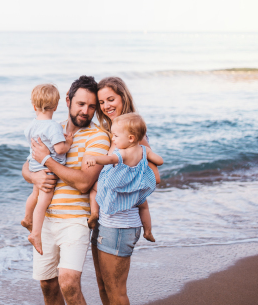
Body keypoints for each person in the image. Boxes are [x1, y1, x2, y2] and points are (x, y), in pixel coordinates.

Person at [25, 75, 110, 305]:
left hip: (76, 220)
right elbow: (26, 166)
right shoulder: (52, 127)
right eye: (81, 104)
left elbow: (84, 182)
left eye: (92, 106)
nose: (86, 111)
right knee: (48, 285)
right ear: (68, 100)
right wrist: (35, 176)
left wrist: (48, 161)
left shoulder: (98, 137)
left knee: (69, 282)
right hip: (47, 221)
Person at [90, 76, 160, 305]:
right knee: (104, 286)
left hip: (120, 225)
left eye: (111, 99)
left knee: (116, 291)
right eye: (101, 102)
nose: (106, 105)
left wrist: (120, 180)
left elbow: (154, 177)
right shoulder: (113, 130)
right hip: (107, 220)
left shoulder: (134, 136)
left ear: (123, 97)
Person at [84, 113, 163, 243]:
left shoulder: (122, 153)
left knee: (94, 188)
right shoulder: (144, 150)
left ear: (131, 138)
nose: (113, 139)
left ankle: (94, 213)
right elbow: (159, 161)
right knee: (144, 207)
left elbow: (109, 159)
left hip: (119, 187)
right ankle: (148, 231)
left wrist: (95, 159)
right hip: (136, 187)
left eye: (115, 136)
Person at [22, 83, 74, 255]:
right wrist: (68, 143)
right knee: (43, 201)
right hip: (47, 169)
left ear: (33, 105)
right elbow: (59, 149)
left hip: (34, 166)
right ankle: (36, 233)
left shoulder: (31, 125)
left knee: (34, 194)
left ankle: (27, 218)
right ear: (56, 105)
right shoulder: (53, 126)